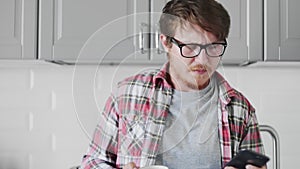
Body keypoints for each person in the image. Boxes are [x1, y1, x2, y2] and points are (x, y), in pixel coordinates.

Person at [80, 0, 266, 169]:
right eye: (190, 47)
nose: (202, 59)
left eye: (213, 47)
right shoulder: (127, 94)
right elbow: (93, 162)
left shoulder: (240, 109)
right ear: (166, 42)